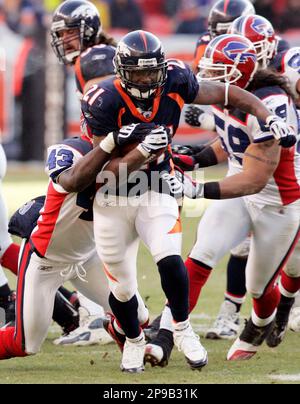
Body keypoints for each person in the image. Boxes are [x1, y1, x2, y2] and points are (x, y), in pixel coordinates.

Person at [81, 29, 296, 373]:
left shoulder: (193, 83)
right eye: (138, 73)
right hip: (115, 192)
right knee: (135, 283)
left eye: (152, 72)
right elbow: (98, 168)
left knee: (216, 272)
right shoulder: (103, 99)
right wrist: (165, 155)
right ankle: (149, 338)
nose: (146, 80)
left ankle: (202, 327)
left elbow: (253, 172)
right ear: (121, 70)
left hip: (269, 198)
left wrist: (196, 187)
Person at [146, 33, 299, 365]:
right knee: (202, 253)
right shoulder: (222, 96)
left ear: (239, 73)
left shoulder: (271, 103)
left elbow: (254, 180)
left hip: (277, 202)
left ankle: (259, 323)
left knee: (258, 287)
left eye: (217, 71)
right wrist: (193, 160)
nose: (209, 78)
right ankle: (167, 333)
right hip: (241, 191)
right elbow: (231, 142)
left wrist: (197, 188)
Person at [0, 122, 169, 360]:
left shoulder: (137, 162)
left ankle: (124, 338)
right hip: (47, 259)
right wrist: (113, 144)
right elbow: (72, 180)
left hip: (89, 256)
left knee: (138, 316)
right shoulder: (71, 150)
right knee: (25, 343)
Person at [50, 0, 117, 345]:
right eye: (60, 34)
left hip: (119, 161)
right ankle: (105, 313)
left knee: (87, 236)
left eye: (69, 33)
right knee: (92, 236)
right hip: (114, 158)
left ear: (87, 29)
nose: (64, 40)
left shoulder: (96, 60)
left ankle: (104, 316)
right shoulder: (93, 57)